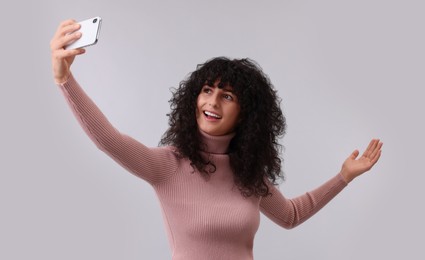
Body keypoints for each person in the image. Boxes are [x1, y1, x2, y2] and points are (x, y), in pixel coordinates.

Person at [50, 19, 383, 260]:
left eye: (227, 96)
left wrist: (344, 177)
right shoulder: (168, 165)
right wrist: (65, 80)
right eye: (207, 91)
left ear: (245, 113)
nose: (211, 102)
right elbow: (109, 140)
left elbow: (290, 216)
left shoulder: (248, 175)